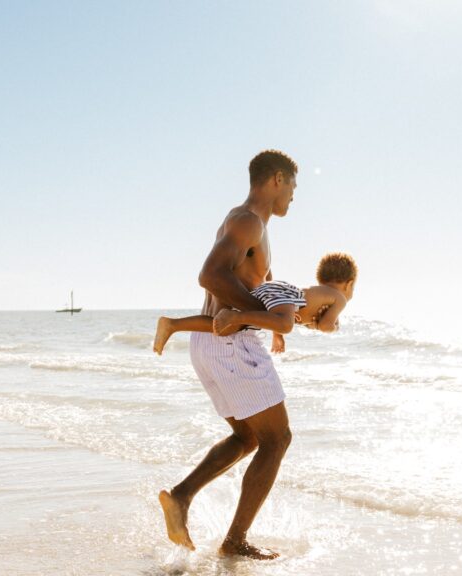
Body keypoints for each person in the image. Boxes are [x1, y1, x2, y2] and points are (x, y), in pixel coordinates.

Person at [158, 149, 298, 559]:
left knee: (248, 436)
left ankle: (181, 497)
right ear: (276, 179)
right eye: (292, 186)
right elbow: (209, 274)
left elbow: (259, 288)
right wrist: (249, 314)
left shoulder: (250, 224)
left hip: (211, 341)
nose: (293, 195)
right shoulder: (248, 221)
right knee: (278, 438)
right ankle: (235, 542)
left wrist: (279, 319)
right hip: (228, 340)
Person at [153, 252, 357, 355]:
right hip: (283, 293)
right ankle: (236, 316)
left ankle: (173, 324)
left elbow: (281, 310)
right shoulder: (338, 298)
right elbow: (325, 325)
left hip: (276, 293)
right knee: (283, 324)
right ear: (348, 284)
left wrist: (277, 334)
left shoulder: (320, 292)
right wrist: (333, 326)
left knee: (227, 327)